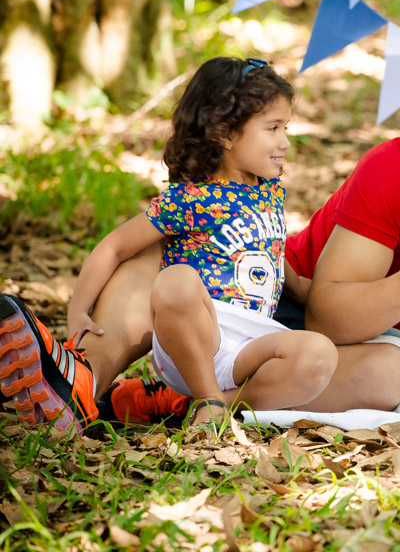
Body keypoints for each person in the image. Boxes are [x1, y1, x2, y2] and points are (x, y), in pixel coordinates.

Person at [1, 68, 400, 430]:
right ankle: (79, 387)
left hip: (361, 356)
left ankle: (186, 406)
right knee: (159, 258)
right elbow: (325, 315)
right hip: (273, 295)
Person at [1, 58, 336, 432]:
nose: (285, 141)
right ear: (225, 133)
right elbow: (115, 246)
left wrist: (308, 291)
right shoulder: (192, 197)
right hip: (199, 333)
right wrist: (78, 312)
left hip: (253, 341)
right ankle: (202, 396)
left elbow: (270, 253)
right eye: (273, 128)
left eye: (285, 127)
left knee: (319, 355)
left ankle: (201, 405)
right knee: (176, 278)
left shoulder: (269, 190)